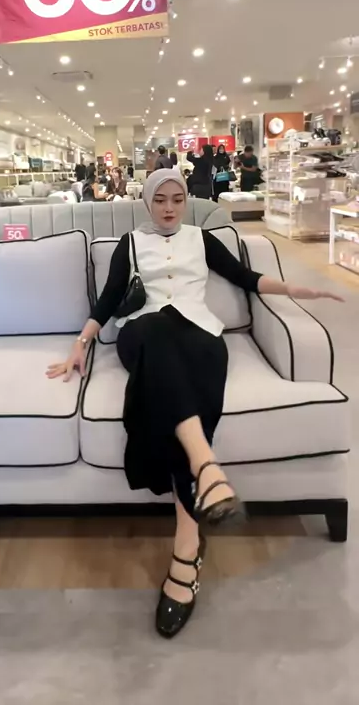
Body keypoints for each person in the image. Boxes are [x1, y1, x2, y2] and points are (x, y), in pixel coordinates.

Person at [47, 169, 343, 639]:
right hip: (143, 334)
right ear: (147, 202)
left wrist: (295, 289)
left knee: (173, 384)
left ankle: (196, 509)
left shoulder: (201, 240)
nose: (169, 208)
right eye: (160, 200)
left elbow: (244, 277)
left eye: (177, 199)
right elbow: (108, 299)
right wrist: (81, 343)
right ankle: (200, 490)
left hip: (199, 334)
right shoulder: (129, 243)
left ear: (186, 201)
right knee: (156, 335)